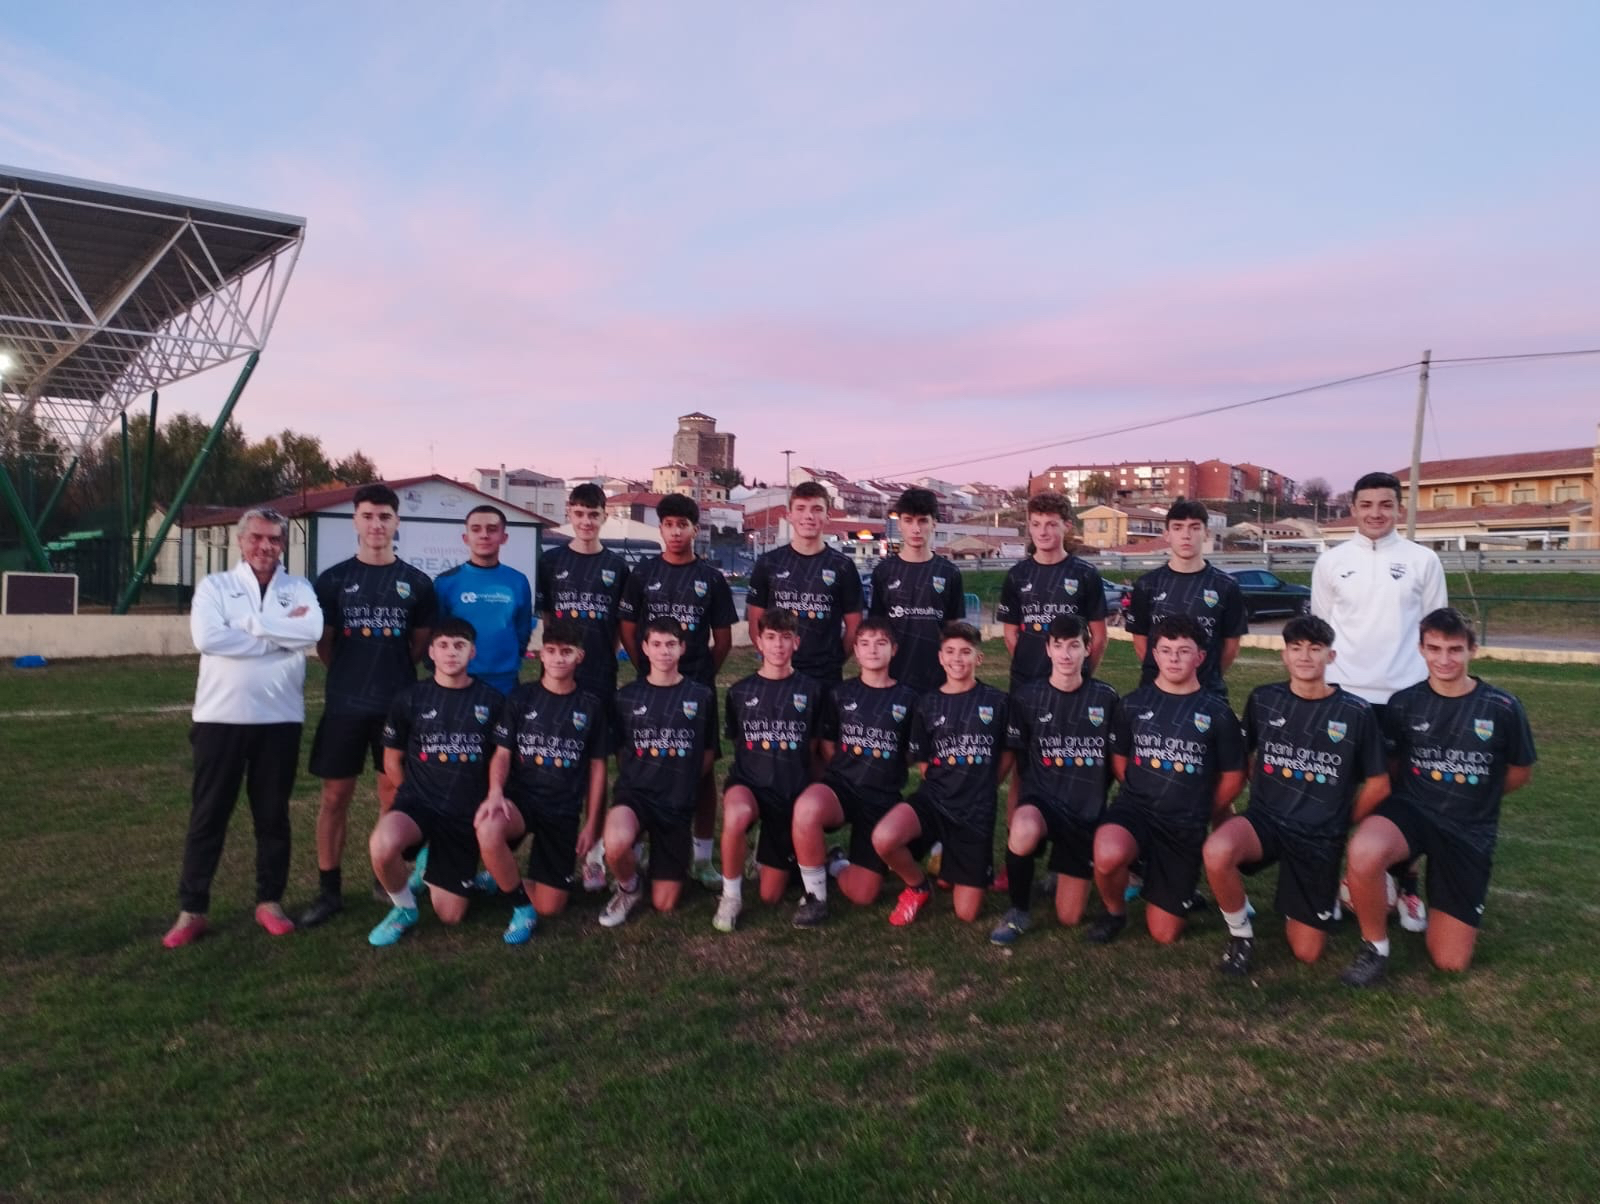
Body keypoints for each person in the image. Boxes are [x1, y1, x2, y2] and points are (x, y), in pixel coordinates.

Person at [1340, 609, 1535, 986]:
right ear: (1421, 649)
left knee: (1450, 962)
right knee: (1364, 850)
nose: (1444, 659)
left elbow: (1519, 772)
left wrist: (1475, 797)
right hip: (1413, 811)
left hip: (1467, 828)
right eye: (1434, 648)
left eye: (1454, 649)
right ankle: (1375, 947)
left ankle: (1406, 888)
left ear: (1472, 650)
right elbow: (1393, 768)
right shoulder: (1403, 703)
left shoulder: (1503, 707)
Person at [163, 508, 324, 948]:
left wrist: (252, 626)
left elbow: (311, 631)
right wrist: (277, 636)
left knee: (272, 817)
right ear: (240, 540)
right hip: (219, 719)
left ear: (283, 544)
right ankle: (192, 909)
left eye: (274, 539)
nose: (265, 546)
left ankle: (269, 902)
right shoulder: (216, 586)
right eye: (257, 537)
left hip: (280, 719)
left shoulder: (298, 587)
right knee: (208, 816)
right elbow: (209, 639)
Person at [1202, 615, 1389, 976]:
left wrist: (1342, 818)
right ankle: (1241, 935)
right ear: (1285, 655)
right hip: (1266, 821)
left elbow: (1380, 784)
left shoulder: (1355, 712)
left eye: (1315, 649)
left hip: (1318, 835)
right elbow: (1246, 755)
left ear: (1330, 657)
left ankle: (1315, 896)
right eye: (1296, 648)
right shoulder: (1264, 699)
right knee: (1217, 850)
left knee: (1307, 952)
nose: (1305, 657)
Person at [1312, 469, 1448, 932]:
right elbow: (1320, 633)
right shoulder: (1332, 562)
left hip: (1406, 701)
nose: (1376, 513)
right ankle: (1329, 885)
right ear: (1352, 509)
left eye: (1385, 504)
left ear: (1399, 508)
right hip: (1345, 699)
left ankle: (1407, 887)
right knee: (1335, 795)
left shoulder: (1423, 560)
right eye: (1366, 505)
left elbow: (1436, 633)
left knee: (1403, 797)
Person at [300, 483, 437, 928]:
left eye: (385, 517)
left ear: (397, 523)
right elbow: (326, 644)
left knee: (392, 792)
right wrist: (352, 676)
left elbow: (417, 647)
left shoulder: (417, 583)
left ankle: (387, 877)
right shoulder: (334, 580)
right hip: (345, 704)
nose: (376, 525)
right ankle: (329, 889)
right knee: (335, 795)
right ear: (355, 521)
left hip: (396, 707)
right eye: (368, 516)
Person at [1088, 615, 1246, 945]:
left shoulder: (1218, 713)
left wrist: (1201, 811)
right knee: (1106, 853)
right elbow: (1120, 761)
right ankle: (1114, 912)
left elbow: (1234, 777)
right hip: (1136, 812)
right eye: (1166, 650)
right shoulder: (1132, 704)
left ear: (1200, 657)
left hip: (1183, 825)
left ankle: (1177, 886)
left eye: (1184, 651)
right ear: (1154, 655)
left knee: (1164, 934)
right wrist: (1143, 794)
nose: (1174, 658)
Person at [618, 494, 736, 889]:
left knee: (702, 773)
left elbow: (722, 639)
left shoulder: (711, 578)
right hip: (650, 685)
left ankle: (702, 858)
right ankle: (639, 842)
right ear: (661, 528)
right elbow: (630, 628)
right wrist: (646, 668)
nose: (675, 532)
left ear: (694, 530)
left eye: (682, 525)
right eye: (668, 524)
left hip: (695, 686)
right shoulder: (643, 574)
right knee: (643, 762)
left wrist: (700, 675)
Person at [365, 619, 505, 946]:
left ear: (473, 652)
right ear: (431, 652)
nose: (451, 653)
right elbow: (391, 759)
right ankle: (404, 909)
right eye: (443, 645)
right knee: (382, 845)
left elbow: (502, 757)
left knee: (451, 916)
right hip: (419, 804)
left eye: (459, 646)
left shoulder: (493, 701)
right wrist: (411, 794)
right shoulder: (410, 698)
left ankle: (446, 870)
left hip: (463, 814)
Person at [474, 618, 608, 944]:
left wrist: (592, 825)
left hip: (562, 811)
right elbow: (502, 754)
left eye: (566, 651)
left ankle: (503, 877)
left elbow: (598, 768)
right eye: (551, 651)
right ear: (541, 655)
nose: (558, 658)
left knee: (552, 907)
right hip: (522, 801)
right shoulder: (521, 699)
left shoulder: (591, 705)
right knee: (489, 828)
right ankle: (521, 907)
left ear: (580, 656)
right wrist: (495, 793)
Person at [991, 615, 1122, 946]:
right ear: (1047, 649)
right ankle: (1019, 910)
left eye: (1074, 646)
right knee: (1023, 830)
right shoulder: (1027, 698)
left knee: (1069, 917)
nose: (1066, 655)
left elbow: (1118, 764)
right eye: (1059, 646)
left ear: (1087, 649)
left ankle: (1059, 873)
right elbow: (1019, 765)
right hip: (1043, 803)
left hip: (1085, 813)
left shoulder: (1106, 698)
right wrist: (1015, 812)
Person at [872, 622, 1013, 927]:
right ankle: (918, 886)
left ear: (979, 658)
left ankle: (950, 861)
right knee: (884, 838)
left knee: (967, 913)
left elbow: (1008, 752)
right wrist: (942, 786)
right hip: (934, 800)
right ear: (940, 658)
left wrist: (987, 784)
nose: (957, 659)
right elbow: (923, 760)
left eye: (965, 652)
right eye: (950, 652)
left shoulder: (997, 701)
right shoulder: (927, 703)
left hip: (975, 811)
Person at [789, 618, 920, 926]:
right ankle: (815, 897)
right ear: (856, 652)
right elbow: (829, 746)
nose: (872, 650)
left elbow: (913, 754)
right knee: (807, 807)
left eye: (880, 643)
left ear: (894, 650)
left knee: (864, 895)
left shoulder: (910, 699)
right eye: (864, 643)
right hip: (842, 788)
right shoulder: (839, 694)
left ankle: (833, 864)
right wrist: (853, 769)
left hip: (882, 798)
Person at [537, 483, 632, 891]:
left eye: (594, 515)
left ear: (604, 517)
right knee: (561, 763)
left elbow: (615, 628)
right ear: (569, 515)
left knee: (598, 761)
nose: (586, 522)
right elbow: (548, 622)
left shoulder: (617, 566)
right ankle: (558, 844)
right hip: (559, 680)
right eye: (579, 514)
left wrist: (596, 657)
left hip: (599, 677)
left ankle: (594, 853)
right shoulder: (551, 561)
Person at [599, 617, 717, 927]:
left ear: (682, 649)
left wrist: (685, 783)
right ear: (644, 649)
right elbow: (621, 751)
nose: (664, 651)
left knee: (665, 904)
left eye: (670, 645)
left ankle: (664, 862)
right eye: (657, 644)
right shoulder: (626, 697)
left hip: (676, 805)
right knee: (614, 842)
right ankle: (629, 887)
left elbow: (708, 752)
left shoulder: (701, 696)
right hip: (636, 796)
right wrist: (641, 778)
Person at [714, 608, 824, 932]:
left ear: (797, 643)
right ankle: (730, 895)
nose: (778, 646)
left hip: (791, 794)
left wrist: (811, 803)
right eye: (771, 638)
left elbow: (816, 751)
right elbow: (739, 746)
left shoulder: (812, 691)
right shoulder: (740, 692)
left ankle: (812, 855)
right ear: (759, 642)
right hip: (749, 785)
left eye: (786, 638)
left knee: (771, 895)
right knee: (735, 814)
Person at [1125, 499, 1247, 697]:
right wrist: (1169, 674)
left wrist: (1206, 675)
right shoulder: (1147, 584)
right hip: (1154, 690)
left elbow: (1231, 646)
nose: (1186, 535)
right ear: (1167, 534)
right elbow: (1141, 641)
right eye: (1178, 527)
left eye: (1194, 527)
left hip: (1207, 692)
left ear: (1206, 533)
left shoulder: (1226, 586)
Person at [746, 480, 863, 685]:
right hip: (779, 675)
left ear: (828, 516)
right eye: (800, 508)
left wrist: (833, 662)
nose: (808, 516)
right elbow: (756, 623)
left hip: (825, 678)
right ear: (789, 515)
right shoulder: (768, 563)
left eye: (817, 509)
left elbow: (854, 627)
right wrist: (774, 661)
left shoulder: (843, 566)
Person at [996, 491, 1107, 690]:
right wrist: (1029, 666)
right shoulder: (1017, 575)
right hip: (1026, 682)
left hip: (1071, 682)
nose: (1042, 532)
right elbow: (1010, 635)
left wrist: (1083, 672)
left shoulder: (1085, 574)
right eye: (1036, 524)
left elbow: (1099, 636)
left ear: (1067, 526)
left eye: (1051, 524)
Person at [869, 487, 965, 693]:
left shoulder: (949, 572)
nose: (916, 529)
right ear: (900, 524)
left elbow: (953, 629)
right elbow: (876, 628)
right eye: (908, 520)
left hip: (937, 680)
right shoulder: (884, 571)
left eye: (923, 521)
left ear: (934, 524)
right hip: (893, 679)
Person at [433, 504, 534, 695]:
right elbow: (437, 633)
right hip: (460, 680)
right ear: (466, 538)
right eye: (476, 529)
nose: (484, 535)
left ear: (504, 538)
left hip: (505, 683)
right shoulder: (446, 582)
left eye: (492, 529)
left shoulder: (518, 581)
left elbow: (523, 630)